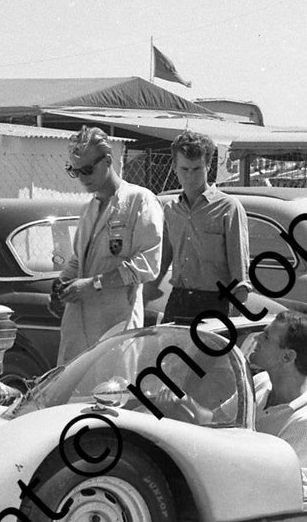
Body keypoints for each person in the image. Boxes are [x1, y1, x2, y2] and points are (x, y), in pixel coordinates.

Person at [53, 126, 163, 365]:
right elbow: (78, 259)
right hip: (78, 325)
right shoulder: (89, 209)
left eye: (88, 169)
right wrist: (62, 282)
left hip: (115, 325)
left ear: (108, 161)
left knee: (112, 393)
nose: (82, 177)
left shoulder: (139, 201)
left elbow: (148, 264)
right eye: (75, 171)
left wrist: (95, 284)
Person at [158, 130, 250, 323]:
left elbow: (239, 272)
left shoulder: (228, 207)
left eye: (197, 169)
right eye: (184, 169)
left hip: (215, 301)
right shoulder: (171, 210)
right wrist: (149, 290)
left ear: (208, 166)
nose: (190, 177)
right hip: (179, 298)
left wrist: (236, 315)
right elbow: (164, 258)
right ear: (174, 167)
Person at [247, 312, 307, 470]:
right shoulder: (261, 381)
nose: (256, 338)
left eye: (266, 337)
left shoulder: (306, 423)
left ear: (287, 356)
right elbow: (213, 421)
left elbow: (274, 483)